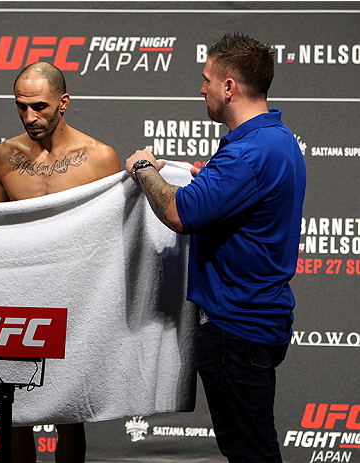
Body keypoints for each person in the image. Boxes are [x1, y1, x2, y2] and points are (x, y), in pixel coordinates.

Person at [125, 33, 306, 462]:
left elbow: (178, 213)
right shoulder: (278, 141)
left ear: (229, 87)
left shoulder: (247, 154)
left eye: (206, 79)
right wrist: (207, 181)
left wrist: (143, 168)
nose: (200, 88)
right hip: (257, 319)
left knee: (251, 454)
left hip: (237, 327)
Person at [0, 61, 120, 463]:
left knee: (69, 411)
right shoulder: (2, 157)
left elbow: (113, 239)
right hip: (16, 293)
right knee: (14, 410)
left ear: (63, 103)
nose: (30, 117)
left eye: (40, 107)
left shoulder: (99, 159)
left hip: (75, 298)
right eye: (21, 107)